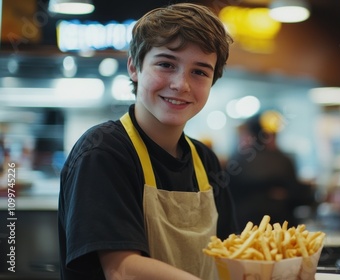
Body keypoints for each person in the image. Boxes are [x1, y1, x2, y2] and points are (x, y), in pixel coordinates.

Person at [58, 3, 237, 280]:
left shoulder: (205, 160)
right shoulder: (102, 152)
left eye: (199, 71)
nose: (181, 84)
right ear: (134, 67)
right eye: (166, 64)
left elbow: (229, 257)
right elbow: (122, 269)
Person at [227, 112, 315, 230]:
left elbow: (229, 195)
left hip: (245, 230)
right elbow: (297, 194)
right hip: (280, 229)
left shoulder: (238, 160)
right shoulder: (283, 160)